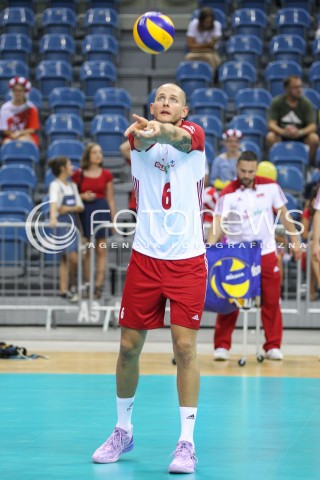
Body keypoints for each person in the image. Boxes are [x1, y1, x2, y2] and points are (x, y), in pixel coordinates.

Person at [91, 83, 207, 474]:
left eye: (173, 99)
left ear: (183, 110)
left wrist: (163, 131)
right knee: (127, 347)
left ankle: (186, 443)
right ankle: (123, 430)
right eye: (160, 97)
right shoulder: (140, 138)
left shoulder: (194, 136)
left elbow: (179, 138)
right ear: (152, 106)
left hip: (187, 260)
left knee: (184, 348)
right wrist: (143, 134)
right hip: (145, 259)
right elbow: (139, 143)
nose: (165, 102)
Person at [207, 150, 301, 361]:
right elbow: (218, 222)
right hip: (236, 253)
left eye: (251, 171)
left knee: (271, 299)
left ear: (256, 169)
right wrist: (210, 249)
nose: (247, 175)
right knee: (230, 298)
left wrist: (295, 240)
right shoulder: (228, 193)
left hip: (265, 251)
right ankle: (221, 346)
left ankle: (272, 346)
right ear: (237, 169)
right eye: (243, 171)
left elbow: (284, 215)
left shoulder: (271, 187)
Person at [72, 143, 116, 300]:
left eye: (100, 152)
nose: (99, 155)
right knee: (87, 251)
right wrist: (82, 196)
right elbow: (72, 196)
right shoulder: (78, 174)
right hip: (85, 213)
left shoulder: (106, 174)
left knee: (101, 250)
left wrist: (114, 220)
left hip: (101, 212)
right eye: (95, 152)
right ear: (88, 156)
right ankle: (88, 284)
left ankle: (98, 285)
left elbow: (110, 199)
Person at [48, 156, 84, 302]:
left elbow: (80, 206)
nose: (72, 167)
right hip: (62, 224)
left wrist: (67, 208)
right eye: (69, 164)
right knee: (70, 257)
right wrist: (53, 217)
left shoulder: (72, 186)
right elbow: (53, 204)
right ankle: (70, 286)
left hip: (73, 223)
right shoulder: (55, 185)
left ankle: (66, 288)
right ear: (63, 168)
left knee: (69, 258)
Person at [266, 76, 319, 165]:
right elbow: (271, 124)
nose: (299, 90)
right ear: (287, 89)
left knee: (314, 138)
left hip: (301, 136)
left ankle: (308, 166)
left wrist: (300, 132)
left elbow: (313, 126)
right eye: (295, 87)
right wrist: (283, 132)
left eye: (300, 87)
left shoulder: (306, 103)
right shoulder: (277, 102)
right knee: (270, 137)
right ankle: (275, 164)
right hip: (282, 135)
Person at [0, 77, 40, 145]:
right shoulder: (5, 108)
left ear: (25, 92)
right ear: (12, 91)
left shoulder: (31, 108)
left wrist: (20, 133)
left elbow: (32, 129)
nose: (18, 93)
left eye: (20, 90)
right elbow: (4, 129)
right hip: (10, 136)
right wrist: (13, 135)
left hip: (28, 135)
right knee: (8, 143)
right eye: (15, 90)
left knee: (24, 141)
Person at [185, 7, 222, 72]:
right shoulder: (193, 24)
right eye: (206, 22)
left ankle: (211, 79)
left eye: (210, 22)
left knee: (212, 59)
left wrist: (198, 45)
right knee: (188, 57)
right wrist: (207, 45)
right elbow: (190, 45)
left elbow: (213, 47)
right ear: (201, 21)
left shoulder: (217, 25)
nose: (208, 24)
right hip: (195, 53)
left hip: (210, 53)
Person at [302, 185, 320, 301]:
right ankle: (314, 289)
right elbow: (304, 234)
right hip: (311, 242)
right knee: (313, 252)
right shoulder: (309, 212)